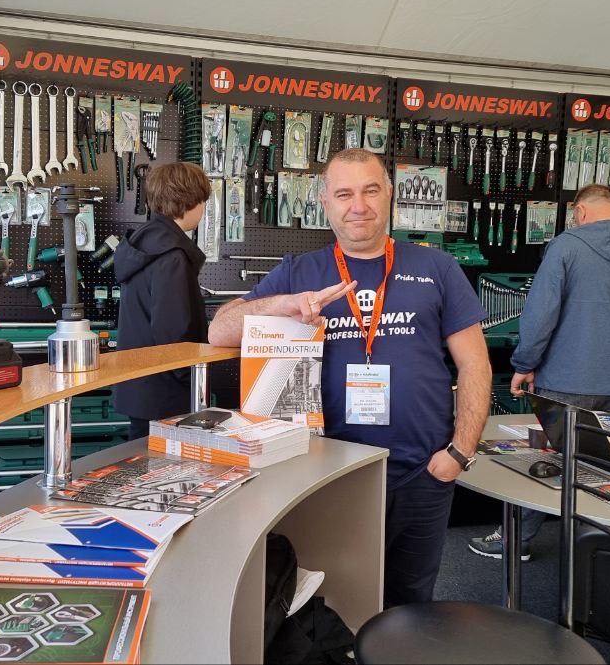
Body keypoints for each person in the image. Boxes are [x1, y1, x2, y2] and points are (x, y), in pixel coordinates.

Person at [208, 148, 490, 607]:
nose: (358, 205)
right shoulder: (301, 272)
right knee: (334, 600)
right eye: (344, 194)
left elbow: (475, 363)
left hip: (423, 473)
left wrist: (460, 452)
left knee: (412, 602)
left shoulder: (436, 268)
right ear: (325, 203)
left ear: (389, 194)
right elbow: (219, 329)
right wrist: (282, 304)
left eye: (370, 190)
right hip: (330, 474)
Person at [469, 183, 610, 560]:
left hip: (565, 379)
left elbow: (540, 315)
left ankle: (516, 541)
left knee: (548, 461)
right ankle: (597, 548)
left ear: (579, 212)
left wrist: (525, 364)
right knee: (607, 468)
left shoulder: (566, 247)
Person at [112, 162, 212, 439]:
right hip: (165, 393)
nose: (203, 209)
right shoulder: (172, 256)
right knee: (163, 463)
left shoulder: (143, 244)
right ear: (189, 201)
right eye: (202, 201)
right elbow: (173, 331)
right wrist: (193, 380)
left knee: (143, 459)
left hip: (141, 387)